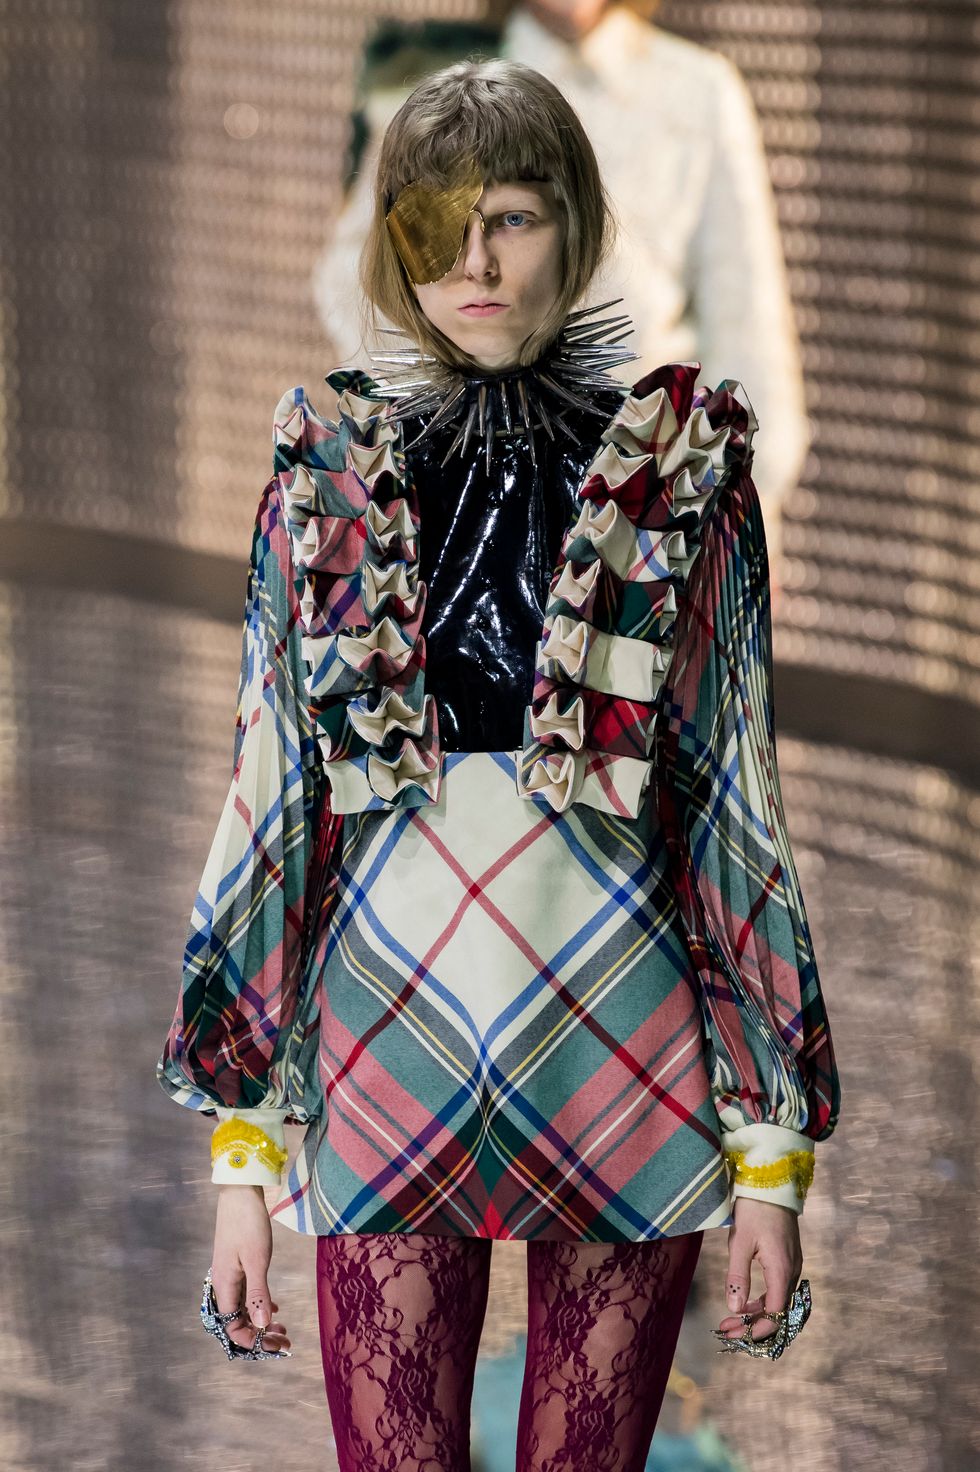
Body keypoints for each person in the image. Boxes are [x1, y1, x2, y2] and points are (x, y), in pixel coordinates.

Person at [158, 57, 841, 1471]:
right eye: (440, 222)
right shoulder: (330, 475)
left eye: (515, 218)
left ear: (577, 230)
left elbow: (731, 808)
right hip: (385, 1042)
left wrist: (772, 1160)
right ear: (393, 238)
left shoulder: (678, 480)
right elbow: (272, 807)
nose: (474, 261)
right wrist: (240, 1162)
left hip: (626, 1047)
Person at [313, 0, 810, 576]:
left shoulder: (699, 91)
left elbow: (746, 326)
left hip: (644, 504)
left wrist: (740, 522)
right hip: (465, 492)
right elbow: (352, 274)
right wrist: (452, 393)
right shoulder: (444, 81)